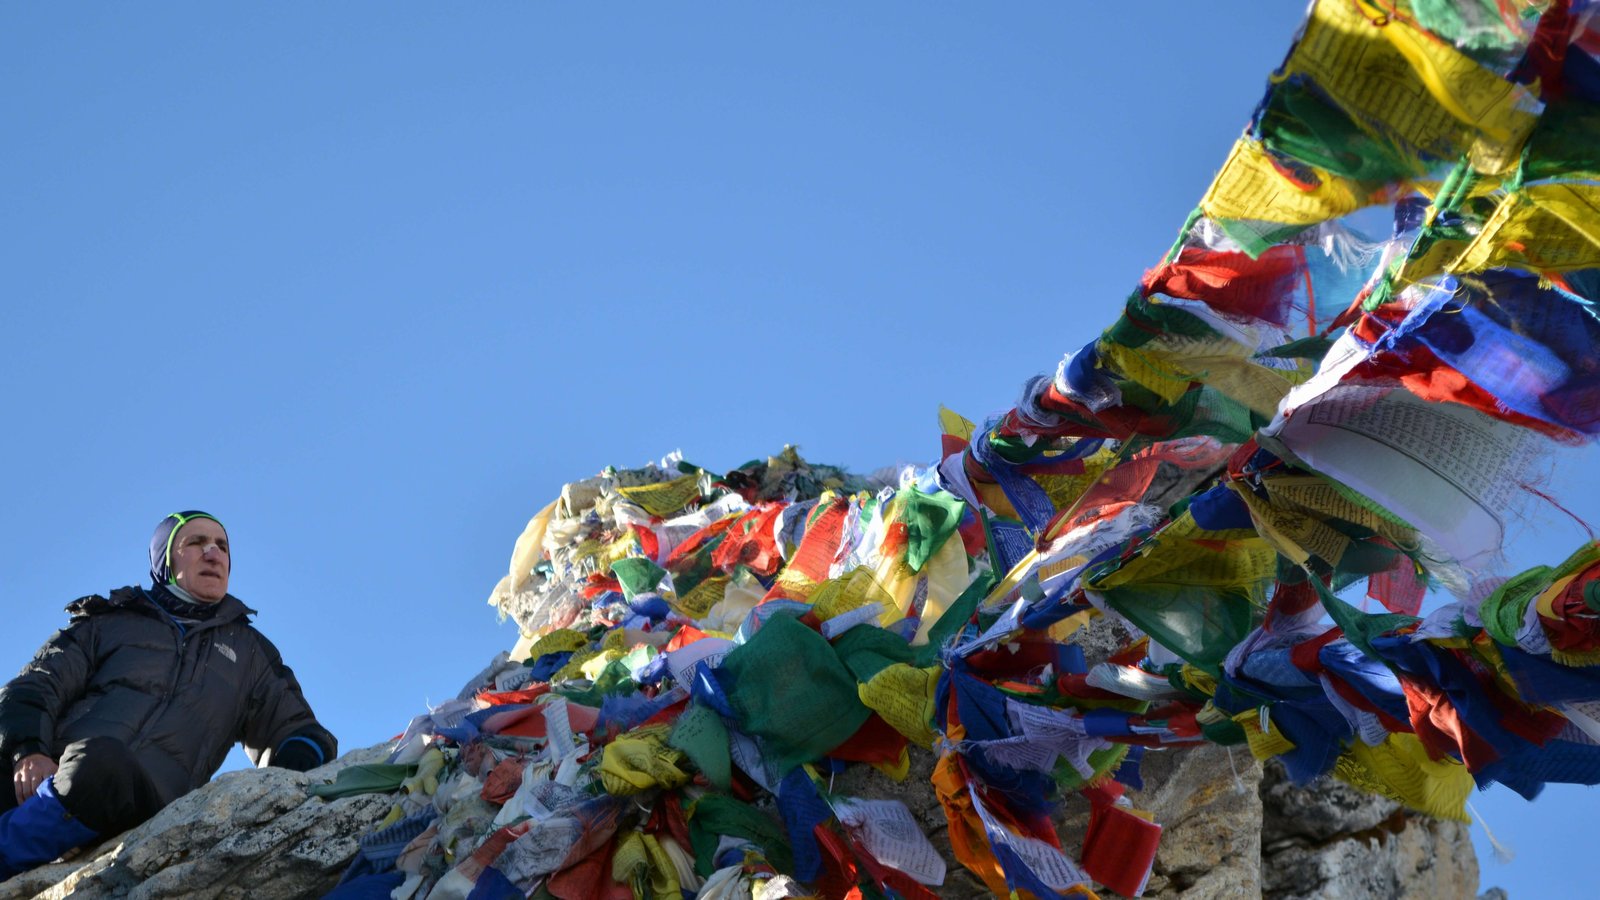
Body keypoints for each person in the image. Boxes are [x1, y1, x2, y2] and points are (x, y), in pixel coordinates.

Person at [0, 511, 338, 880]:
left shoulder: (250, 653)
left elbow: (299, 731)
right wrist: (27, 751)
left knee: (100, 761)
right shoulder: (109, 620)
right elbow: (35, 685)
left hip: (137, 799)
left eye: (222, 546)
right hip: (46, 773)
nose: (213, 554)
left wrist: (290, 778)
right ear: (165, 560)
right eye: (196, 543)